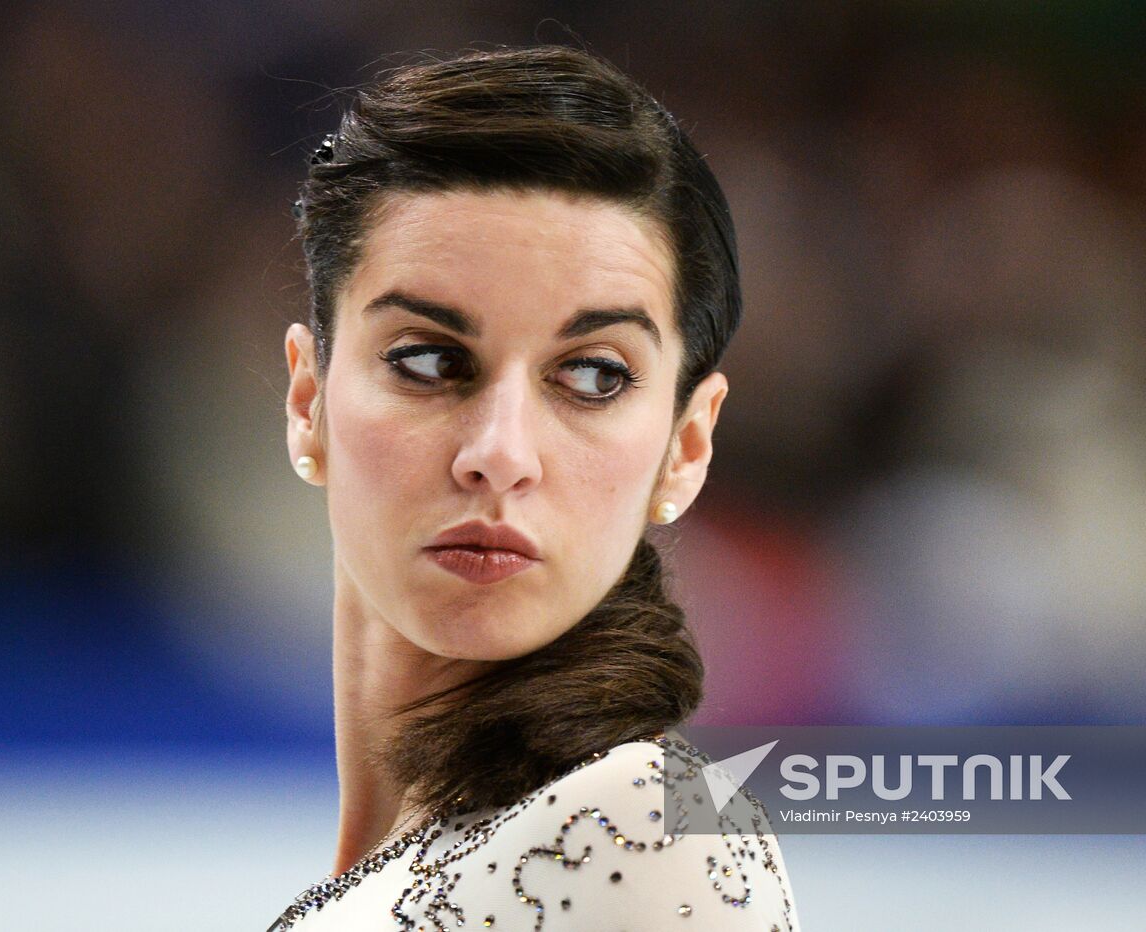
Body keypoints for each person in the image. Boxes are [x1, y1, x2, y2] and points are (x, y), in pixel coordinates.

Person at [270, 45, 801, 931]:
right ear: (307, 400)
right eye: (431, 360)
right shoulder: (501, 843)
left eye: (593, 376)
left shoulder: (647, 834)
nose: (499, 453)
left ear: (687, 443)